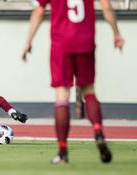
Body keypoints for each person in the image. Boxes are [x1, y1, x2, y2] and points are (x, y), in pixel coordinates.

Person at [22, 0, 124, 164]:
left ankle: (63, 152)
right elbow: (106, 6)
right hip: (86, 42)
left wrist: (28, 41)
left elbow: (38, 12)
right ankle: (98, 132)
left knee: (62, 94)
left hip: (61, 45)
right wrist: (116, 33)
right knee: (89, 91)